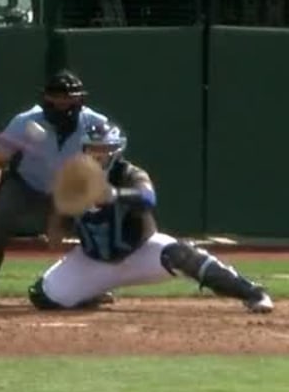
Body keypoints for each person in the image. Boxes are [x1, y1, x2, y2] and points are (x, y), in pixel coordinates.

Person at [28, 121, 274, 314]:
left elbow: (148, 198)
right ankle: (93, 293)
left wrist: (113, 195)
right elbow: (56, 230)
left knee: (182, 255)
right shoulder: (76, 179)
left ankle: (253, 293)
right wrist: (59, 218)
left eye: (104, 150)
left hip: (140, 252)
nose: (98, 155)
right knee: (43, 295)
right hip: (93, 260)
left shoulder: (129, 173)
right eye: (93, 149)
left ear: (116, 151)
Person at [0, 70, 109, 308]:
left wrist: (59, 219)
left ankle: (93, 288)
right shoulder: (25, 122)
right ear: (46, 98)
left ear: (80, 99)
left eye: (69, 97)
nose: (63, 102)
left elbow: (100, 171)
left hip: (71, 190)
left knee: (100, 223)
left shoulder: (96, 125)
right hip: (27, 187)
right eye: (57, 97)